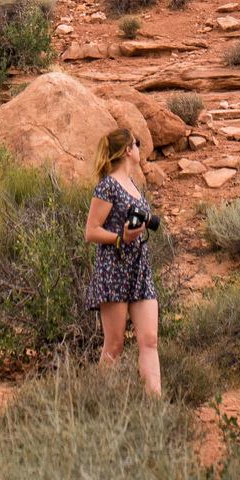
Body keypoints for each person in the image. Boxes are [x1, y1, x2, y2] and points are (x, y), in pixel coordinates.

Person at [83, 125, 162, 394]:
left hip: (139, 268)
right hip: (114, 267)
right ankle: (96, 400)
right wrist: (121, 238)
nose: (139, 148)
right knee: (114, 345)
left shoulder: (133, 185)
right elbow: (91, 231)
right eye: (136, 143)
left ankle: (155, 406)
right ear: (128, 150)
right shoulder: (107, 186)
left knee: (149, 340)